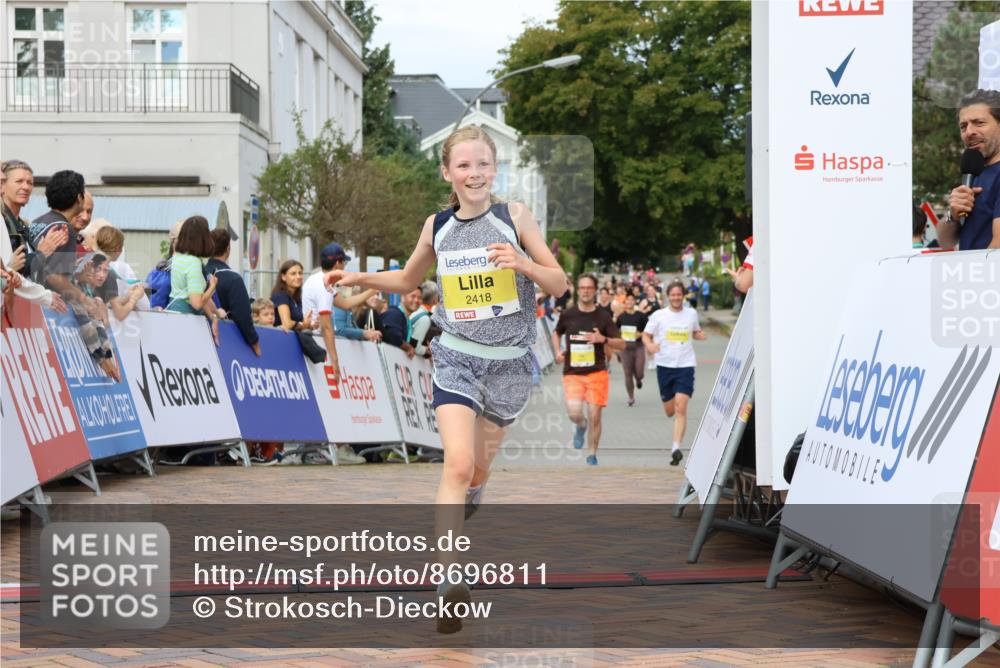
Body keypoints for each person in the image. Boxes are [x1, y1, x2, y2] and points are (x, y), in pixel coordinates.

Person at [324, 125, 568, 634]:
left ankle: (471, 497)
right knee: (456, 464)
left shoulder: (514, 217)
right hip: (455, 356)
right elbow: (409, 280)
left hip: (508, 366)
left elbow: (558, 282)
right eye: (463, 165)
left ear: (494, 169)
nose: (474, 173)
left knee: (477, 472)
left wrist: (522, 263)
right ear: (447, 172)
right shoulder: (438, 225)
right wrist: (360, 278)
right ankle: (448, 581)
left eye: (482, 164)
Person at [31, 170, 120, 381]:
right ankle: (105, 359)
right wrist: (85, 300)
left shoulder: (36, 222)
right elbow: (54, 276)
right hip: (45, 306)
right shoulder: (65, 228)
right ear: (78, 198)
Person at [552, 273, 624, 466]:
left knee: (595, 414)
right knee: (574, 413)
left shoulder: (603, 316)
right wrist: (557, 351)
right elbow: (556, 333)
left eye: (589, 288)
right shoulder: (568, 314)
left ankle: (592, 454)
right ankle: (580, 426)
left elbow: (622, 344)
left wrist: (604, 340)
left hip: (597, 372)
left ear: (594, 291)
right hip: (573, 373)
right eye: (582, 287)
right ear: (578, 290)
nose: (585, 291)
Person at [642, 280, 707, 466]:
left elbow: (695, 331)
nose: (676, 298)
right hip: (664, 366)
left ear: (683, 295)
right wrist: (650, 345)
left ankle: (675, 448)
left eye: (679, 294)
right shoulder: (658, 315)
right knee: (670, 410)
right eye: (673, 295)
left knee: (681, 408)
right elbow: (645, 335)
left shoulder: (691, 314)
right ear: (667, 296)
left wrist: (700, 335)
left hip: (686, 366)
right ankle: (675, 444)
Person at [0, 160, 66, 312]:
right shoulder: (3, 220)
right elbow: (11, 273)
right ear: (4, 184)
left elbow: (25, 272)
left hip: (25, 310)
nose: (26, 187)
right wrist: (40, 254)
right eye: (19, 181)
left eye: (30, 182)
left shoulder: (24, 226)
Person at [941, 89, 1000, 250]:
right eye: (963, 126)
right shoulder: (972, 173)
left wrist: (973, 275)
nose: (969, 132)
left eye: (979, 123)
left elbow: (997, 247)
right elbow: (945, 242)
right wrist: (952, 215)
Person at [206, 228, 260, 356]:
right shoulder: (233, 278)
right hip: (227, 344)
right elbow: (243, 315)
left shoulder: (199, 272)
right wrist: (254, 341)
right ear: (228, 250)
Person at [615, 293, 648, 407]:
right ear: (625, 303)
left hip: (638, 347)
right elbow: (615, 332)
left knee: (639, 373)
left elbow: (649, 331)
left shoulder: (641, 316)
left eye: (632, 300)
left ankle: (638, 380)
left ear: (635, 302)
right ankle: (631, 396)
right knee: (628, 373)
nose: (629, 302)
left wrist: (641, 334)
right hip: (625, 348)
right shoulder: (621, 317)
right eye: (627, 300)